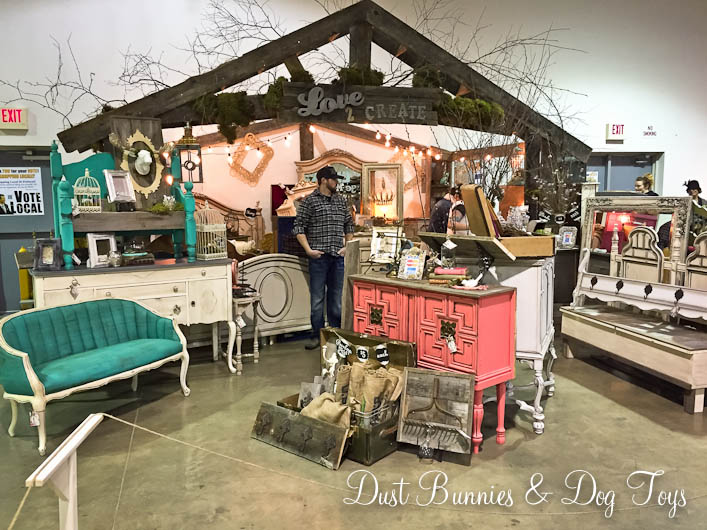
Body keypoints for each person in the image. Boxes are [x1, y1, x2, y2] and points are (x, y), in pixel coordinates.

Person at [293, 166, 354, 350]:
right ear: (323, 180)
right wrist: (308, 250)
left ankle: (335, 335)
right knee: (317, 300)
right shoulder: (310, 201)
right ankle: (317, 336)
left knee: (336, 300)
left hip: (337, 257)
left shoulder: (341, 201)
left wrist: (347, 246)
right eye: (333, 179)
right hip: (318, 258)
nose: (336, 182)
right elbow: (298, 227)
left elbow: (349, 224)